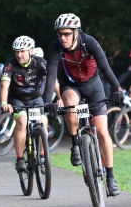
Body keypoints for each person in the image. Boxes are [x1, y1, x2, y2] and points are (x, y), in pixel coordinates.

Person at [43, 13, 123, 197]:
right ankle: (75, 144)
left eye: (66, 34)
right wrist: (48, 102)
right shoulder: (56, 48)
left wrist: (116, 88)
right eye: (59, 34)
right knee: (70, 102)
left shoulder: (89, 42)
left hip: (94, 87)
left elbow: (105, 67)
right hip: (71, 86)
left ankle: (110, 177)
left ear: (76, 33)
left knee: (102, 131)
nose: (62, 38)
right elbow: (51, 76)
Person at [0, 36, 51, 172]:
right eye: (16, 51)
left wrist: (60, 98)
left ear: (31, 51)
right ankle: (20, 159)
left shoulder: (40, 62)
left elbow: (53, 81)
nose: (19, 54)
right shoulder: (10, 64)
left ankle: (42, 156)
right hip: (17, 99)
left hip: (35, 98)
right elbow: (4, 85)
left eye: (22, 51)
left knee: (42, 122)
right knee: (22, 121)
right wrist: (4, 103)